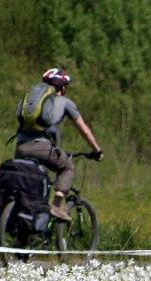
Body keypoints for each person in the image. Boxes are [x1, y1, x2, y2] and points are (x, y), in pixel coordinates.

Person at [14, 68, 102, 222]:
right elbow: (85, 131)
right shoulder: (65, 102)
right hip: (42, 148)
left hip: (20, 147)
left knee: (35, 181)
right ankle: (56, 206)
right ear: (63, 87)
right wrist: (97, 150)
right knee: (67, 167)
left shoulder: (31, 99)